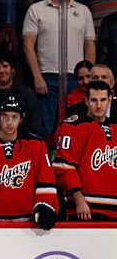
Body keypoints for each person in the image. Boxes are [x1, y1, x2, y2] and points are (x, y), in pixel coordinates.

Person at [23, 0, 96, 134]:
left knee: (79, 124)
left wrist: (88, 76)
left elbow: (90, 45)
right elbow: (28, 45)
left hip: (77, 78)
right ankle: (47, 159)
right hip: (47, 77)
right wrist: (37, 76)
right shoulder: (36, 9)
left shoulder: (84, 11)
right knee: (46, 127)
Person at [0, 95, 57, 227]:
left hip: (27, 223)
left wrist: (44, 206)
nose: (9, 122)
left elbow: (45, 180)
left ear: (21, 119)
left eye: (14, 117)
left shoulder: (36, 145)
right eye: (5, 116)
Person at [53, 80, 117, 221]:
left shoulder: (115, 126)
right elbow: (63, 167)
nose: (99, 105)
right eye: (94, 100)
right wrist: (79, 199)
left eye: (103, 100)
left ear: (110, 100)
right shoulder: (73, 126)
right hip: (85, 209)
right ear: (86, 101)